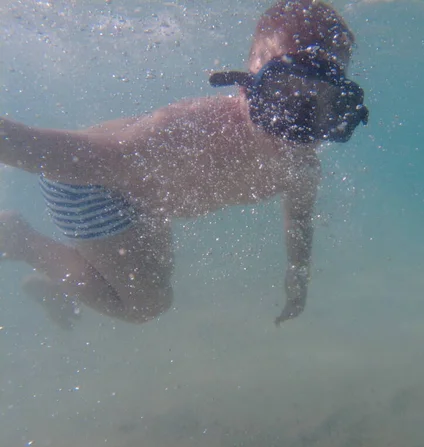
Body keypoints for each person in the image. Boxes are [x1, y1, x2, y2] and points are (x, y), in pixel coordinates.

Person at [0, 0, 368, 328]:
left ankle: (58, 284)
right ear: (245, 88)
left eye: (324, 108)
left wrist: (297, 273)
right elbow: (59, 153)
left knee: (144, 278)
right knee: (146, 303)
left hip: (145, 198)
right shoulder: (183, 137)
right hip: (90, 185)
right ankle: (20, 240)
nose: (298, 128)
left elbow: (299, 218)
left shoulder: (301, 167)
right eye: (283, 98)